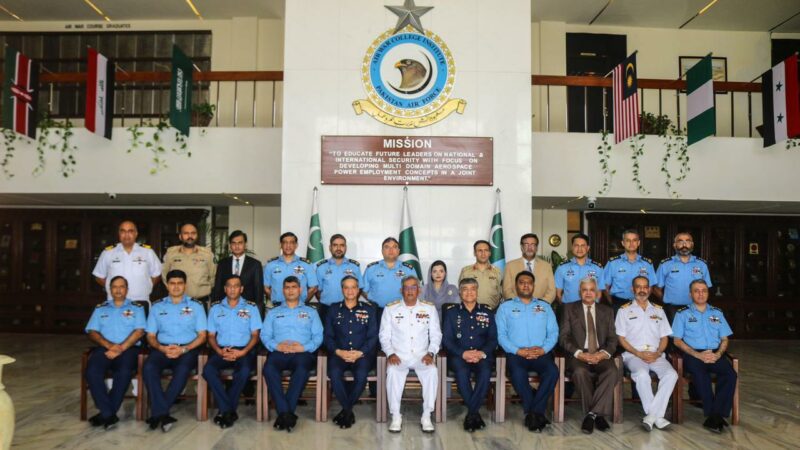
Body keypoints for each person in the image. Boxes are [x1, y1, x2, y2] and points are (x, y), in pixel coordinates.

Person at [142, 270, 207, 432]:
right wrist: (161, 347)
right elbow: (150, 336)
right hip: (162, 348)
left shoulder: (196, 306)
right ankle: (163, 413)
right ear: (167, 285)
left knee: (183, 370)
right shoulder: (157, 307)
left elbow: (202, 336)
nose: (176, 287)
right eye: (172, 283)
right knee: (149, 368)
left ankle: (158, 412)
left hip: (187, 349)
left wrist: (184, 349)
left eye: (179, 283)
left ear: (185, 285)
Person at [496, 271, 559, 432]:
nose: (525, 285)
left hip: (540, 353)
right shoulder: (505, 307)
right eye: (522, 282)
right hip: (516, 354)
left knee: (552, 372)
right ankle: (536, 413)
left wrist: (543, 349)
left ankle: (532, 413)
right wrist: (518, 351)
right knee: (517, 374)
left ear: (533, 286)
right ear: (516, 286)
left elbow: (553, 332)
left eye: (529, 282)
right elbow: (500, 335)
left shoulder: (545, 307)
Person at [672, 279, 736, 434]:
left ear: (708, 293)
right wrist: (697, 355)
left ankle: (716, 415)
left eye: (704, 290)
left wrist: (718, 354)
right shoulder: (682, 314)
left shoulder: (717, 313)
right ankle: (714, 415)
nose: (701, 294)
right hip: (693, 354)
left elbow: (725, 338)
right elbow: (677, 340)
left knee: (730, 374)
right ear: (690, 294)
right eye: (696, 291)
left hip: (714, 353)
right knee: (701, 375)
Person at [261, 276, 324, 432]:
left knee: (302, 370)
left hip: (302, 353)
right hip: (279, 352)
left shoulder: (311, 312)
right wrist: (277, 346)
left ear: (300, 289)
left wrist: (303, 347)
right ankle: (286, 413)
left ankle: (283, 413)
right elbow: (265, 335)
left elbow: (318, 336)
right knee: (268, 369)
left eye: (294, 287)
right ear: (283, 290)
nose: (290, 290)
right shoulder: (273, 312)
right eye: (287, 287)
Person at [380, 276, 441, 433]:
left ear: (419, 290)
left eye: (413, 287)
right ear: (401, 290)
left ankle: (426, 415)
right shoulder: (390, 309)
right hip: (399, 356)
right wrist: (390, 353)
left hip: (422, 356)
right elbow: (384, 336)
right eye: (406, 288)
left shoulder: (429, 308)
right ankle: (396, 416)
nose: (410, 291)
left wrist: (431, 352)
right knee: (393, 372)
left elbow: (436, 335)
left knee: (432, 371)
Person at [615, 276, 677, 432]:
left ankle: (651, 416)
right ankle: (658, 417)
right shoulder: (623, 310)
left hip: (656, 354)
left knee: (671, 375)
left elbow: (664, 337)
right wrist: (638, 353)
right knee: (642, 374)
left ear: (649, 289)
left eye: (645, 287)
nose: (642, 290)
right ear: (632, 289)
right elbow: (621, 338)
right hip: (633, 354)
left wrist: (658, 353)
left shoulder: (659, 310)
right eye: (638, 287)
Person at [84, 276, 146, 430]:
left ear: (127, 289)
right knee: (92, 371)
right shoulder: (101, 308)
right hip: (105, 348)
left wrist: (121, 348)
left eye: (122, 286)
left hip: (129, 350)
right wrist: (110, 346)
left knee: (124, 372)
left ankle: (105, 414)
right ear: (109, 289)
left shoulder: (137, 308)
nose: (118, 290)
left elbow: (139, 331)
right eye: (115, 287)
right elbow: (92, 331)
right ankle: (109, 413)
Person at [558, 277, 618, 434]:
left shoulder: (607, 311)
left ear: (597, 293)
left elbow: (613, 339)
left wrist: (602, 354)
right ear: (580, 292)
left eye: (592, 290)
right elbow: (564, 337)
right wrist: (579, 354)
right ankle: (598, 415)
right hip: (579, 355)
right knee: (580, 372)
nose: (589, 293)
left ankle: (591, 415)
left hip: (601, 354)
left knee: (612, 371)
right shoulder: (569, 309)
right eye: (585, 290)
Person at [202, 275, 261, 429]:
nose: (233, 289)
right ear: (225, 289)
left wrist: (243, 352)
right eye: (229, 286)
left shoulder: (251, 308)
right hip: (221, 350)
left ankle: (225, 410)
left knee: (244, 371)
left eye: (236, 286)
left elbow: (255, 335)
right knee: (208, 370)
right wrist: (219, 351)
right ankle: (229, 410)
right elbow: (210, 336)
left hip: (244, 351)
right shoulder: (215, 308)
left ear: (241, 289)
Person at [442, 278, 497, 432]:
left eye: (472, 289)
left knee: (485, 372)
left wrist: (482, 353)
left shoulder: (487, 311)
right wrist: (463, 353)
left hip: (482, 356)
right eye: (465, 289)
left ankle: (471, 413)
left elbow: (493, 338)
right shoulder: (452, 312)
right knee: (461, 372)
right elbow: (447, 339)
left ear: (477, 291)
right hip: (459, 357)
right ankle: (474, 414)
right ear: (460, 292)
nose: (469, 292)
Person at [324, 275, 377, 429]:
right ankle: (348, 411)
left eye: (353, 287)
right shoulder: (333, 309)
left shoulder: (369, 310)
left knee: (361, 376)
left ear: (358, 290)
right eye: (346, 287)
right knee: (334, 374)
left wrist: (360, 352)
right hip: (339, 354)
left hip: (362, 355)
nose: (350, 290)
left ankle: (346, 410)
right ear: (342, 290)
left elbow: (373, 337)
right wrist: (338, 351)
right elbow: (327, 336)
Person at [93, 220, 161, 305]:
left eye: (130, 231)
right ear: (119, 234)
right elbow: (99, 276)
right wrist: (113, 287)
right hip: (116, 302)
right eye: (123, 231)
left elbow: (157, 274)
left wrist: (148, 286)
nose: (126, 235)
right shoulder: (108, 253)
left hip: (141, 301)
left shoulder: (147, 252)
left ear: (136, 234)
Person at [654, 232, 712, 322]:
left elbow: (706, 288)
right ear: (674, 245)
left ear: (692, 244)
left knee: (694, 335)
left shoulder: (701, 264)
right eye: (680, 241)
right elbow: (656, 288)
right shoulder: (665, 264)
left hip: (695, 308)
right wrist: (666, 300)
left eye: (687, 241)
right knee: (674, 336)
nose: (684, 245)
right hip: (672, 309)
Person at [602, 229, 656, 315]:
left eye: (634, 240)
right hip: (618, 303)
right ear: (623, 243)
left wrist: (643, 300)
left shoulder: (647, 263)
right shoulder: (613, 263)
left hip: (641, 303)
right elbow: (605, 285)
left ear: (638, 243)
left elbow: (651, 285)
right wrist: (612, 303)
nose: (631, 243)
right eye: (628, 240)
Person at [161, 222, 216, 307]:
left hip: (201, 302)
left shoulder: (207, 254)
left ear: (197, 236)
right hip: (177, 302)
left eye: (193, 233)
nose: (190, 236)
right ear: (180, 236)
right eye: (186, 233)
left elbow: (213, 276)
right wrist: (175, 291)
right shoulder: (171, 254)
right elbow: (164, 276)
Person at [212, 230, 264, 309]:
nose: (237, 246)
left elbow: (258, 292)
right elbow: (217, 289)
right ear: (230, 246)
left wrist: (258, 312)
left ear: (245, 245)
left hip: (247, 309)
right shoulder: (222, 264)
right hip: (226, 308)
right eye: (234, 243)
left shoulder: (255, 265)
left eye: (240, 243)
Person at [263, 232, 318, 305]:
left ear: (296, 245)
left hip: (299, 308)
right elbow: (265, 287)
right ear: (280, 245)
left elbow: (313, 288)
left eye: (291, 242)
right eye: (285, 242)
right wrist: (274, 300)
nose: (288, 245)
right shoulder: (270, 265)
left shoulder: (306, 265)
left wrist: (303, 302)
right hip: (277, 308)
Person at [362, 237, 416, 308]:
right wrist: (372, 301)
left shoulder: (409, 269)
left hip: (402, 310)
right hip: (376, 310)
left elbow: (415, 290)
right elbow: (363, 290)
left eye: (394, 247)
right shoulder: (371, 268)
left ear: (398, 251)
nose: (391, 250)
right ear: (382, 251)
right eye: (387, 247)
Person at [502, 233, 556, 303]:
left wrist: (540, 305)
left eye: (533, 244)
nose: (530, 247)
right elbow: (507, 290)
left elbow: (551, 291)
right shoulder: (510, 266)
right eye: (526, 244)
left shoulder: (546, 266)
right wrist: (518, 304)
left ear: (536, 248)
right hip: (516, 309)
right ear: (521, 247)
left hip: (539, 309)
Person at [554, 233, 604, 305]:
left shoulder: (597, 268)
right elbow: (558, 294)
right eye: (576, 245)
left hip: (590, 309)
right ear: (572, 247)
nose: (579, 249)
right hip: (569, 309)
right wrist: (565, 309)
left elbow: (599, 293)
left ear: (588, 248)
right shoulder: (562, 268)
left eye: (582, 246)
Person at [316, 234, 363, 306]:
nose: (338, 248)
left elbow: (359, 288)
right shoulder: (321, 267)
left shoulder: (355, 266)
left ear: (345, 248)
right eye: (335, 245)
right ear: (330, 247)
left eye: (342, 245)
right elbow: (317, 290)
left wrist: (351, 301)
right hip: (326, 309)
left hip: (348, 308)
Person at [458, 240, 503, 308]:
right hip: (470, 312)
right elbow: (461, 292)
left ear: (490, 253)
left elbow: (500, 293)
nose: (483, 254)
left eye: (486, 250)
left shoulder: (497, 271)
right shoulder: (466, 271)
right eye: (480, 251)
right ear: (475, 253)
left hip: (492, 312)